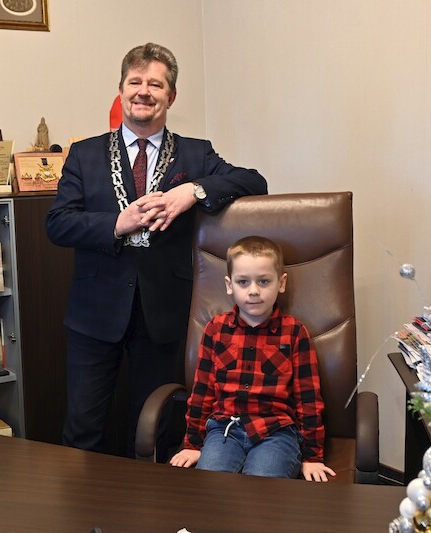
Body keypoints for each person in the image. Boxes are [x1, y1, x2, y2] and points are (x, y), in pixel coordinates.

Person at [45, 42, 268, 457]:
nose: (143, 92)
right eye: (135, 82)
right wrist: (117, 223)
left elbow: (254, 181)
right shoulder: (85, 154)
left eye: (155, 84)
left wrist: (192, 190)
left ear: (171, 96)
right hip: (94, 312)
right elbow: (58, 223)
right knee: (82, 429)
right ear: (121, 90)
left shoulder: (196, 153)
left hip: (164, 313)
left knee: (157, 429)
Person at [169, 236, 335, 482]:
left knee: (262, 486)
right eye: (243, 282)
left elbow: (308, 400)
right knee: (210, 485)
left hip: (276, 432)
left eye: (264, 281)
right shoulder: (215, 330)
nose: (254, 290)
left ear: (281, 283)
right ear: (229, 285)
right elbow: (202, 393)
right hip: (224, 430)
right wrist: (192, 444)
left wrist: (313, 456)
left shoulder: (294, 332)